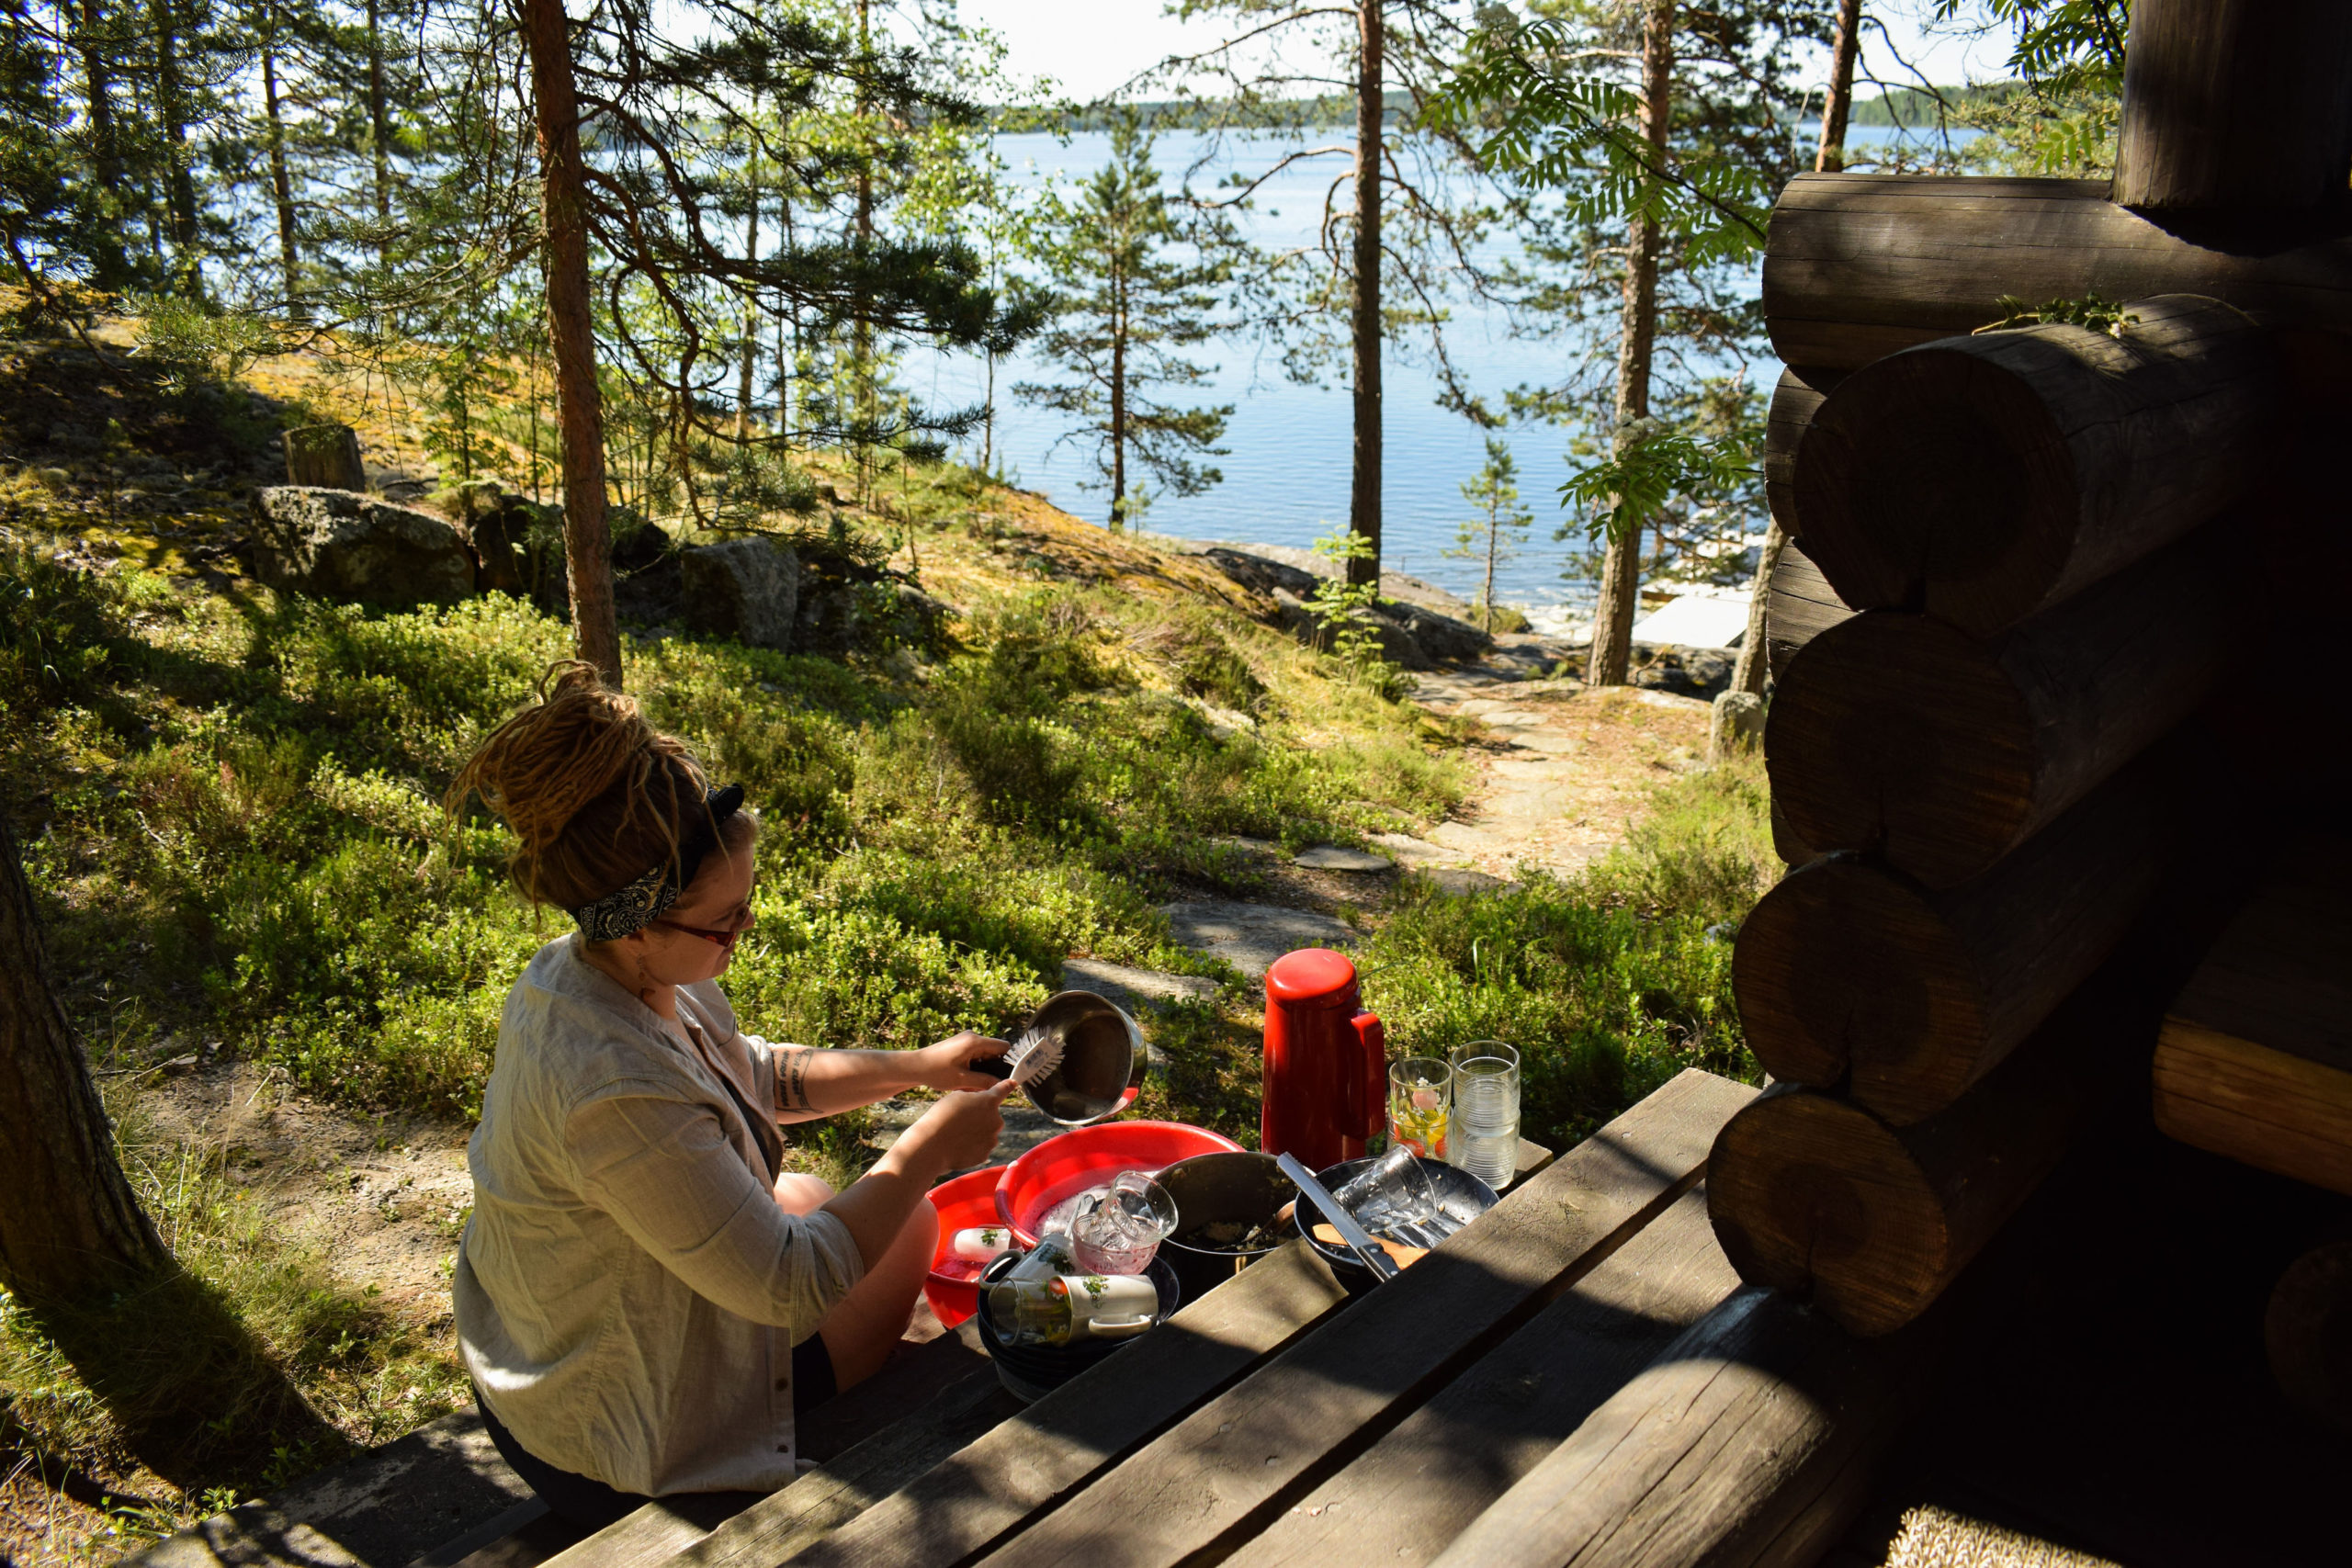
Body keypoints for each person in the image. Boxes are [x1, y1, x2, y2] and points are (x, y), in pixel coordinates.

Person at [445, 661, 1013, 1528]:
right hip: (603, 1430)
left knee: (811, 1196)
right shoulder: (609, 1086)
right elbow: (790, 1284)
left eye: (747, 905)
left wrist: (921, 1064)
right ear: (637, 924)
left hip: (558, 1324)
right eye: (725, 921)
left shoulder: (612, 969)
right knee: (910, 1224)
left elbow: (756, 1074)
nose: (742, 931)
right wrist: (927, 1146)